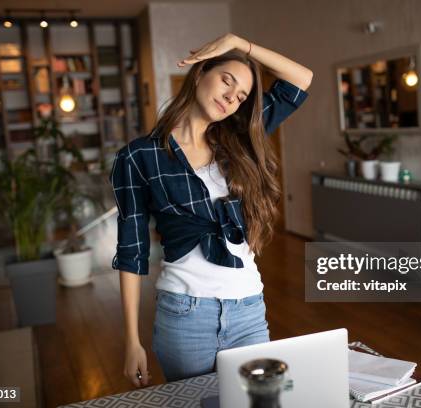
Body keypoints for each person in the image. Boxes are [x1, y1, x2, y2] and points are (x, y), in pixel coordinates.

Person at [111, 32, 313, 387]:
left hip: (248, 309)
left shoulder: (240, 137)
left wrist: (242, 44)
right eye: (226, 81)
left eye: (240, 96)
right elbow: (131, 253)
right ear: (200, 72)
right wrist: (131, 340)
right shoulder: (138, 157)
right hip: (184, 315)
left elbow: (300, 81)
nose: (230, 98)